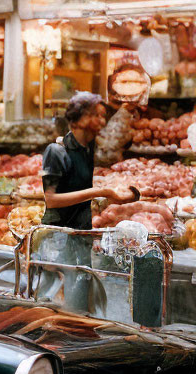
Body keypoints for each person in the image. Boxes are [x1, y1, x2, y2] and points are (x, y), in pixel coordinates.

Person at [40, 92, 138, 311]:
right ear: (79, 118)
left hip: (80, 235)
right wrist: (99, 191)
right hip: (59, 238)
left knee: (81, 306)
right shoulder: (56, 151)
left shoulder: (88, 149)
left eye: (103, 116)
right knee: (62, 309)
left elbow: (111, 147)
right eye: (96, 115)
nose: (102, 121)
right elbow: (52, 200)